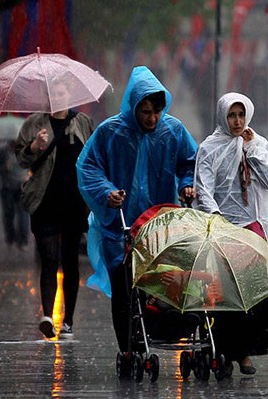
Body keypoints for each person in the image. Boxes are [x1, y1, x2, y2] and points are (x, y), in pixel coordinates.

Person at [76, 66, 197, 354]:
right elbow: (88, 166)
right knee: (124, 289)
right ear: (134, 106)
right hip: (120, 227)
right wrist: (107, 192)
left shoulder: (173, 131)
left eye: (156, 111)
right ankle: (129, 348)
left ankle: (152, 334)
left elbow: (190, 162)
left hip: (160, 225)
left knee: (159, 284)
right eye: (145, 111)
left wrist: (187, 184)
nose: (151, 118)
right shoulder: (111, 132)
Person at [194, 92, 268, 376]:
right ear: (224, 116)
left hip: (251, 227)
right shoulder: (210, 148)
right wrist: (216, 218)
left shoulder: (254, 143)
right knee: (225, 294)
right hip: (223, 229)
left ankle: (247, 352)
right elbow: (203, 187)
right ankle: (225, 350)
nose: (237, 121)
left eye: (241, 115)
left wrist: (252, 149)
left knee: (255, 293)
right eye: (232, 115)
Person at [15, 82, 95, 340]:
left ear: (69, 95)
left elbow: (95, 156)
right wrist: (34, 147)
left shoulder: (82, 122)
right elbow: (20, 158)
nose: (56, 98)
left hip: (73, 203)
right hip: (44, 202)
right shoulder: (33, 124)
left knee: (70, 260)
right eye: (51, 94)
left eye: (61, 92)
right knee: (49, 257)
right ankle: (48, 315)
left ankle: (68, 320)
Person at [0, 140, 29, 250]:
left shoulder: (27, 149)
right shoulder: (2, 151)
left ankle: (23, 240)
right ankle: (10, 237)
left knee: (23, 214)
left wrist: (29, 176)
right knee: (8, 214)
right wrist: (5, 167)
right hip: (7, 187)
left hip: (22, 187)